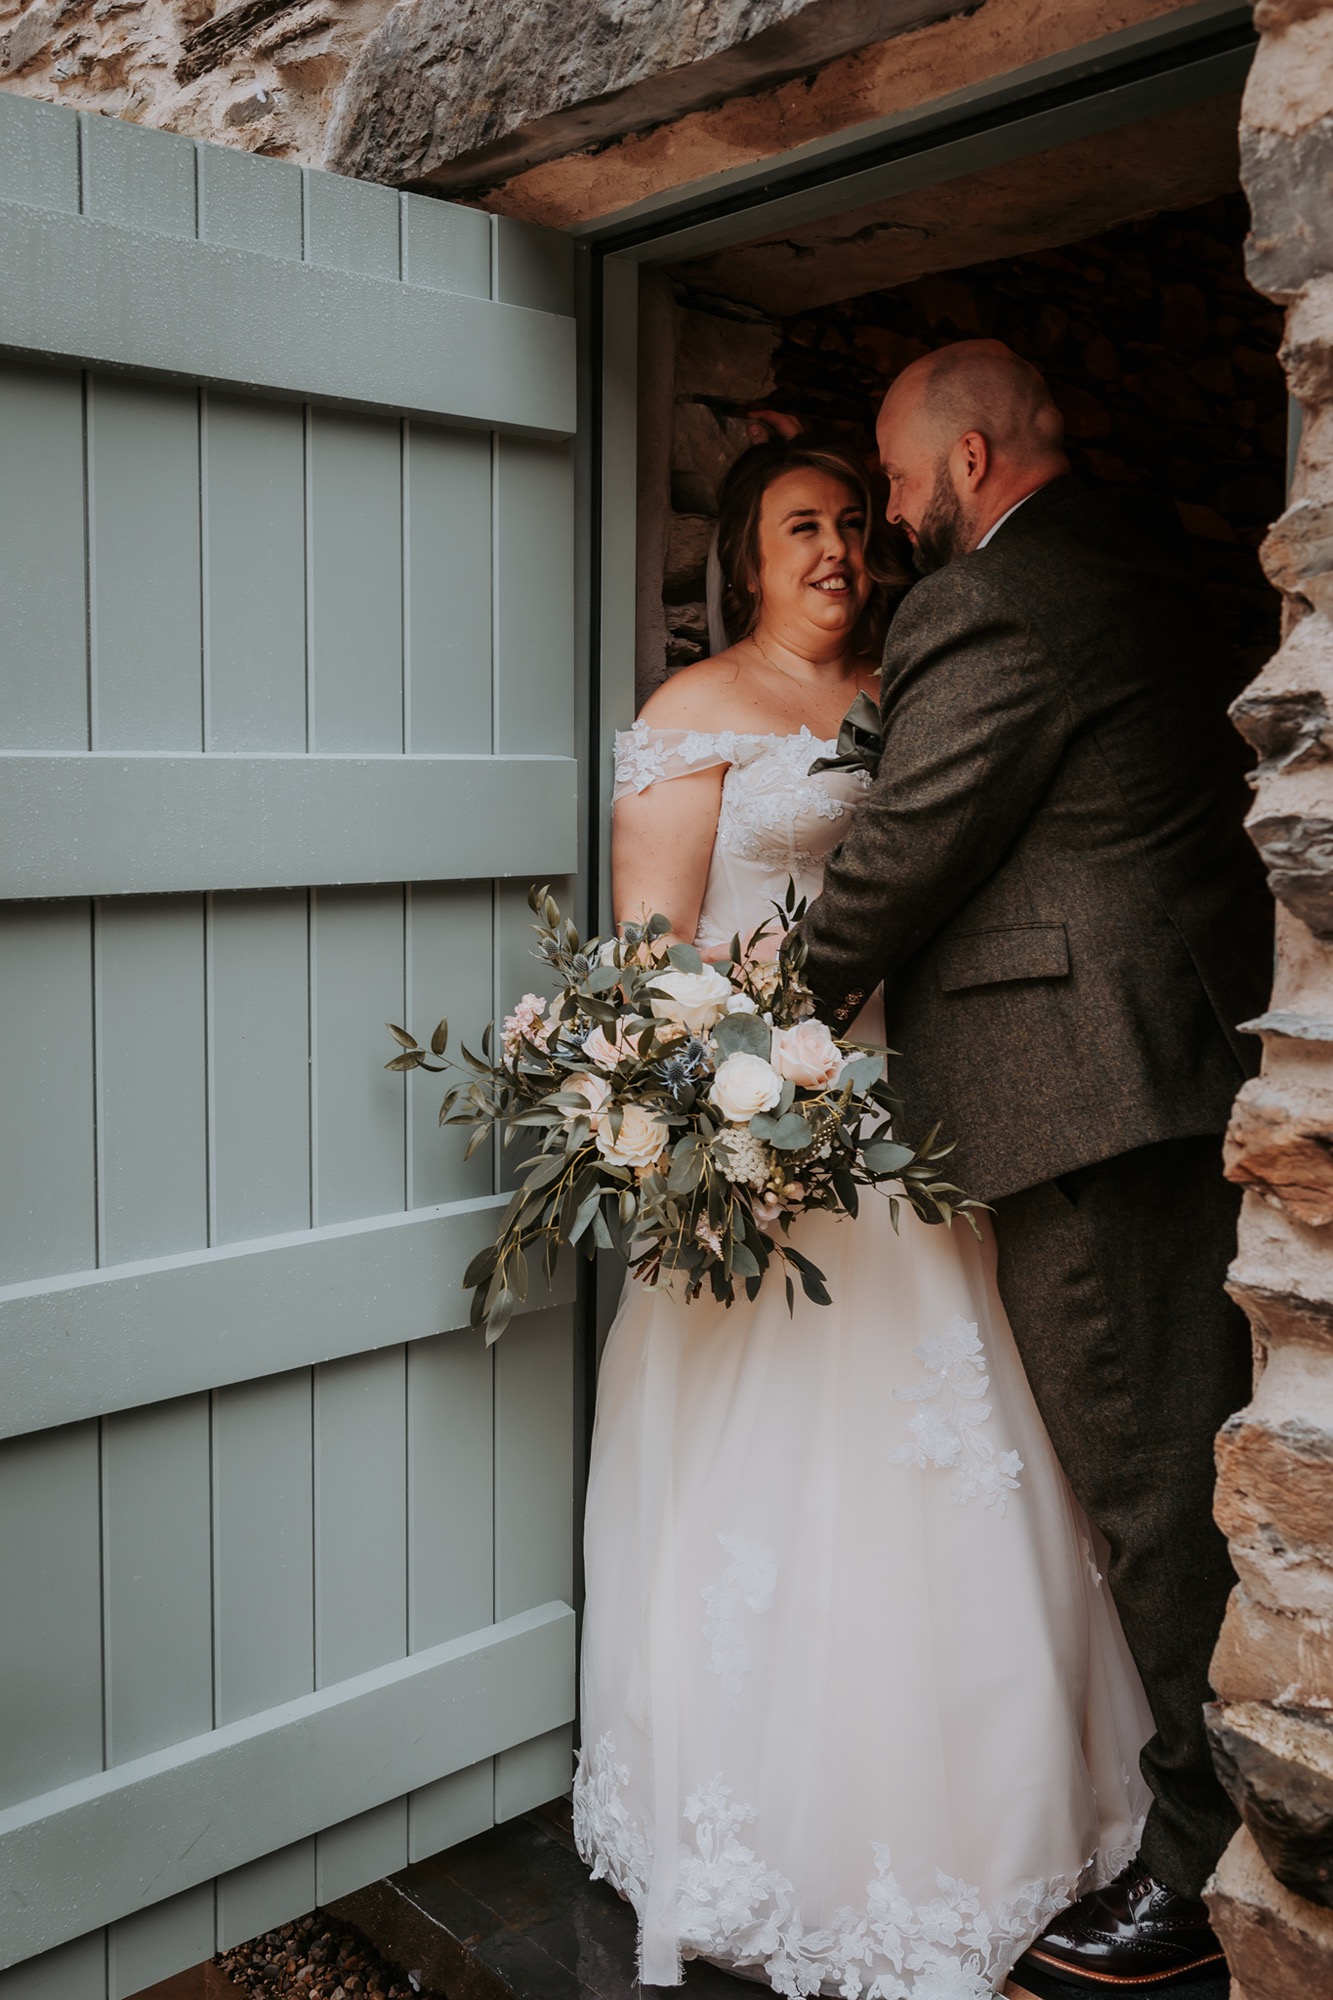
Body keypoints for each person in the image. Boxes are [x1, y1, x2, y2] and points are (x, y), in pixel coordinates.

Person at [574, 435, 1157, 1999]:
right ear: (742, 559)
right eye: (799, 528)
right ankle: (776, 1821)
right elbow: (649, 956)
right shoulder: (692, 716)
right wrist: (715, 1108)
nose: (836, 549)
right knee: (774, 1487)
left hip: (912, 1122)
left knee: (963, 1465)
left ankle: (989, 1813)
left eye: (850, 520)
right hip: (770, 1143)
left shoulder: (911, 691)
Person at [797, 342, 1273, 1989]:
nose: (888, 509)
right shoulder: (1132, 553)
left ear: (974, 457)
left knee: (1150, 1494)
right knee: (1173, 1471)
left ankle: (1201, 1883)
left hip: (1083, 1095)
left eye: (899, 474)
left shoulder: (998, 598)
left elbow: (912, 840)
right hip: (1156, 1066)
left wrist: (752, 1017)